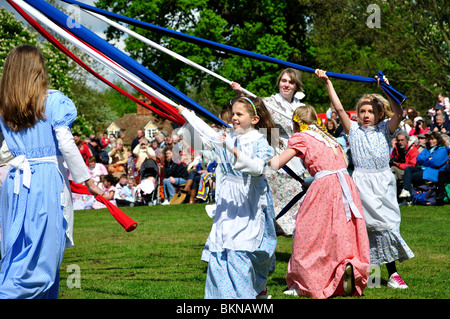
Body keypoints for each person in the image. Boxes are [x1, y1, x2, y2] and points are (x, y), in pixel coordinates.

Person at [0, 45, 104, 299]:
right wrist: (88, 180)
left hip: (16, 185)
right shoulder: (53, 101)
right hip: (43, 183)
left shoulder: (6, 108)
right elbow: (66, 142)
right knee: (42, 262)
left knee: (20, 251)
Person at [315, 69, 414, 289]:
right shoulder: (353, 131)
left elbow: (398, 113)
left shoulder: (385, 129)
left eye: (371, 111)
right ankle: (370, 275)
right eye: (362, 111)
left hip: (383, 183)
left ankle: (391, 273)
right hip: (360, 183)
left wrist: (385, 89)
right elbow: (339, 108)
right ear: (357, 114)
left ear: (379, 115)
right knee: (364, 228)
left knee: (387, 225)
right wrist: (327, 82)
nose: (366, 114)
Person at [177, 96, 277, 299]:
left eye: (240, 114)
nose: (234, 118)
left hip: (250, 203)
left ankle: (253, 291)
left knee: (247, 252)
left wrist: (230, 147)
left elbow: (258, 168)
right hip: (228, 204)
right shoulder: (226, 136)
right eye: (233, 114)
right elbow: (202, 140)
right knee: (223, 251)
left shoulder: (260, 141)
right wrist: (186, 116)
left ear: (255, 119)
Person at [269, 102, 370, 298]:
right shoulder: (329, 138)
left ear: (296, 123)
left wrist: (262, 157)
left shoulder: (301, 137)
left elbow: (277, 164)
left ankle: (302, 281)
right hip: (345, 186)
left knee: (308, 233)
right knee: (339, 233)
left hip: (325, 188)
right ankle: (344, 269)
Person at [230, 68, 306, 237]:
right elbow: (250, 110)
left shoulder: (301, 107)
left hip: (298, 152)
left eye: (291, 82)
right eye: (284, 81)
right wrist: (241, 93)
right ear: (279, 82)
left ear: (296, 86)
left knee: (299, 193)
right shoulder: (268, 102)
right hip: (275, 148)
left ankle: (297, 229)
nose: (286, 85)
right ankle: (273, 227)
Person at [399, 132, 449, 202]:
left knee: (408, 176)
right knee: (408, 169)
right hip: (423, 169)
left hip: (434, 173)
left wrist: (426, 161)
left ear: (438, 140)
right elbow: (418, 159)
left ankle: (407, 198)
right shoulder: (427, 149)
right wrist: (429, 158)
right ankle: (406, 191)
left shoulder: (442, 150)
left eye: (433, 139)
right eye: (429, 139)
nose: (431, 141)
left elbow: (435, 163)